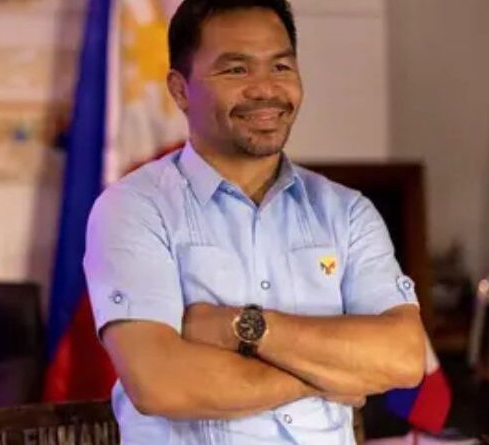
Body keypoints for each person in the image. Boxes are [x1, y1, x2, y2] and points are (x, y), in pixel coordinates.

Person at [84, 1, 426, 444]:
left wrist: (242, 328)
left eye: (281, 66)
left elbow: (404, 358)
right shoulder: (134, 208)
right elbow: (160, 384)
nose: (265, 89)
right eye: (236, 70)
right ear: (180, 90)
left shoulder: (346, 212)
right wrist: (329, 375)